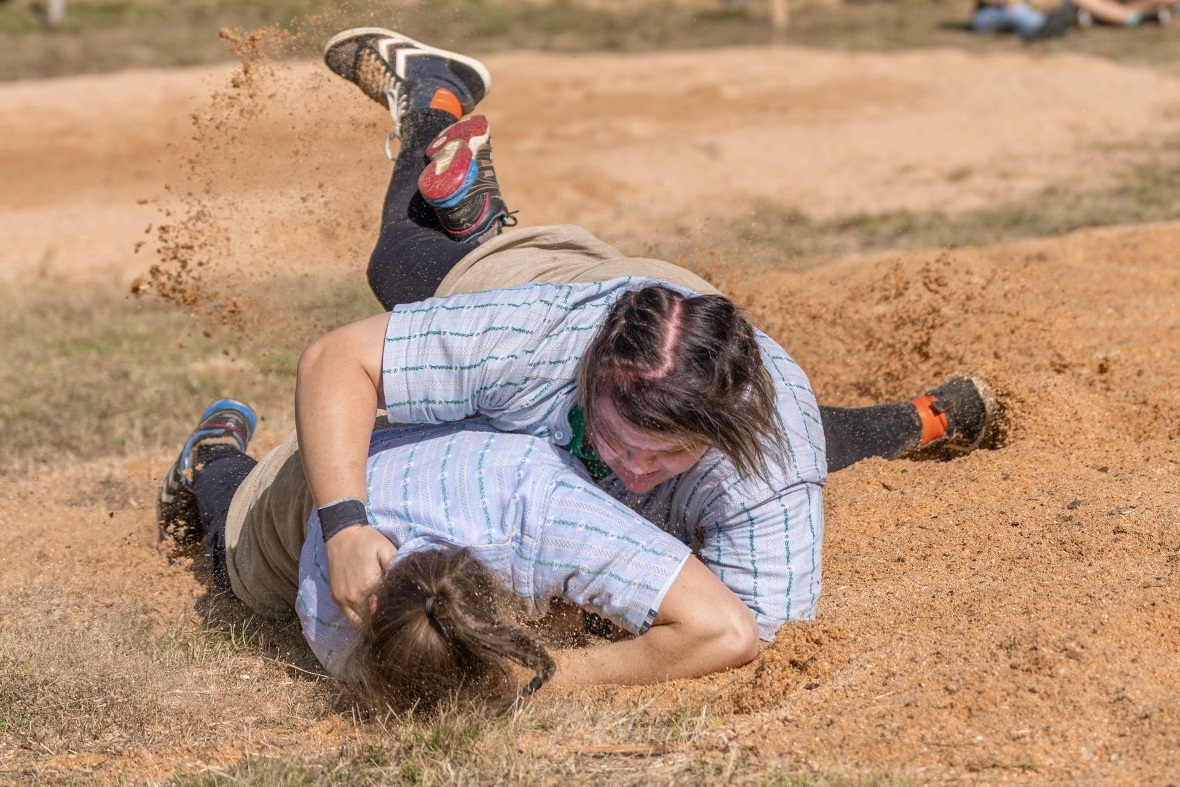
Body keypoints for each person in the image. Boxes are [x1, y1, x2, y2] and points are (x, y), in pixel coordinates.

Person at [298, 28, 1001, 639]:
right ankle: (442, 104)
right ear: (592, 376)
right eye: (616, 439)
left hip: (698, 343)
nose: (633, 471)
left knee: (783, 451)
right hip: (579, 295)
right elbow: (338, 360)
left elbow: (745, 633)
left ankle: (929, 419)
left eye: (663, 454)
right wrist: (345, 523)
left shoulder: (767, 448)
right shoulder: (538, 338)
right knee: (400, 265)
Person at [157, 399, 760, 710]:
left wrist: (546, 671)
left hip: (372, 437)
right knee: (245, 567)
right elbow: (724, 632)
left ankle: (215, 463)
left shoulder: (539, 513)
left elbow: (728, 632)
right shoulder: (331, 621)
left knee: (236, 546)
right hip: (336, 463)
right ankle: (215, 462)